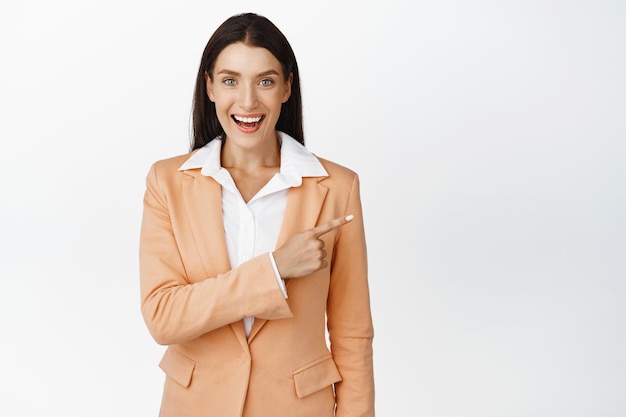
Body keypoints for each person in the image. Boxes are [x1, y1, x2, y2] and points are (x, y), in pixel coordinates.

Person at [139, 12, 374, 417]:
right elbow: (163, 317)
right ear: (209, 86)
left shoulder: (337, 187)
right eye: (230, 80)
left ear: (286, 87)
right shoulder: (168, 182)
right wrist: (275, 268)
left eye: (265, 81)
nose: (247, 102)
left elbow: (352, 335)